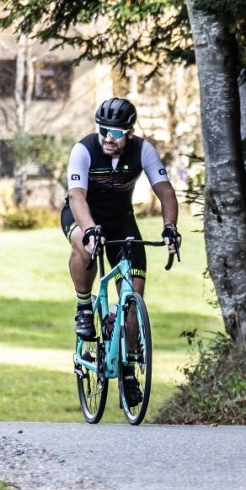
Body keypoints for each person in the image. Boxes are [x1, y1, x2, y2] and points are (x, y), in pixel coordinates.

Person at [61, 97, 181, 402]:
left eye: (114, 132)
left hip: (121, 220)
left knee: (133, 295)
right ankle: (84, 306)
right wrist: (89, 230)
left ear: (129, 132)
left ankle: (128, 372)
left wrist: (170, 227)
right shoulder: (84, 149)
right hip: (83, 213)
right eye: (102, 130)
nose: (106, 137)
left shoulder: (144, 150)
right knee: (85, 249)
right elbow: (76, 196)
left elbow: (165, 190)